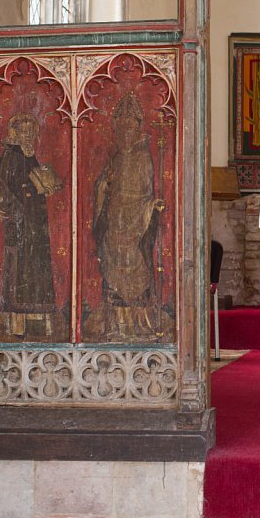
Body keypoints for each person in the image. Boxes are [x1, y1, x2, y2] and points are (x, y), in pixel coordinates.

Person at [84, 92, 171, 342]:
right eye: (122, 129)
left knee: (137, 262)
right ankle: (115, 323)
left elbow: (146, 192)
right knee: (112, 261)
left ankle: (140, 322)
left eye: (130, 129)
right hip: (115, 219)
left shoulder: (144, 157)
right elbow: (104, 187)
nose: (126, 134)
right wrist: (103, 185)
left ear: (137, 130)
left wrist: (150, 207)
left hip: (135, 221)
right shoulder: (116, 157)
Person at [0, 112, 63, 341]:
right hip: (19, 221)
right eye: (23, 130)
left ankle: (41, 320)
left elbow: (34, 182)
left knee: (38, 267)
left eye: (31, 131)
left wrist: (46, 184)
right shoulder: (10, 155)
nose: (27, 135)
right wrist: (0, 208)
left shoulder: (30, 155)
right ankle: (18, 323)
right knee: (20, 269)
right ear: (15, 132)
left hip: (36, 221)